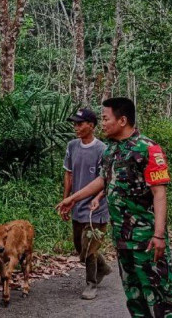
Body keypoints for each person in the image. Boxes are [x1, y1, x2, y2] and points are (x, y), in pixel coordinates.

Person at [55, 98, 172, 318]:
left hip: (146, 238)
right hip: (122, 237)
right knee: (134, 293)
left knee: (161, 292)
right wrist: (73, 198)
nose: (103, 123)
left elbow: (159, 193)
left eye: (106, 119)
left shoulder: (148, 149)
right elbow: (103, 180)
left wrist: (158, 235)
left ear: (122, 120)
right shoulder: (111, 150)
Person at [60, 107, 112, 300]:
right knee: (79, 247)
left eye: (80, 124)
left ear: (91, 125)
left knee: (88, 248)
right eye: (74, 124)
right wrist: (66, 200)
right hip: (77, 205)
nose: (76, 127)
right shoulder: (72, 146)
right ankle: (103, 267)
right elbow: (69, 174)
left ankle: (91, 283)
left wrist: (98, 198)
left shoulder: (103, 150)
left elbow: (106, 180)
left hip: (96, 208)